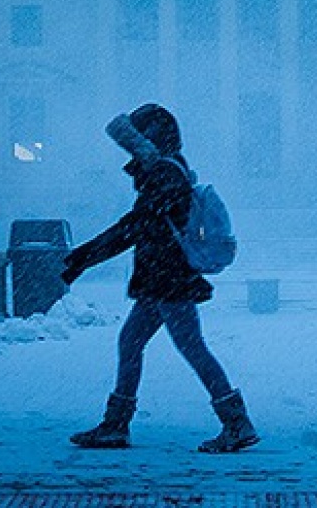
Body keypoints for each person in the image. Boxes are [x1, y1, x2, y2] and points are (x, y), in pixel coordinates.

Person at [60, 102, 259, 454]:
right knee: (131, 342)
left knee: (192, 348)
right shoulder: (166, 172)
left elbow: (134, 227)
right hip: (159, 279)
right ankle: (115, 425)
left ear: (149, 138)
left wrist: (84, 257)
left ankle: (236, 422)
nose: (128, 150)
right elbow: (138, 225)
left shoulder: (166, 174)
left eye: (134, 139)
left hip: (168, 279)